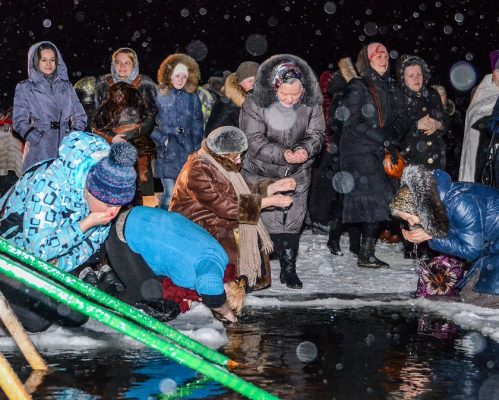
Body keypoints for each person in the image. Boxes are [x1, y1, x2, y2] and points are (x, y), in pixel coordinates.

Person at [0, 131, 137, 332]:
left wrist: (60, 263)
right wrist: (85, 225)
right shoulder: (47, 185)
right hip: (11, 253)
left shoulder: (105, 200)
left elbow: (90, 246)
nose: (113, 212)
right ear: (91, 190)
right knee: (36, 322)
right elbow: (36, 252)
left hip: (50, 259)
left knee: (75, 316)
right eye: (108, 203)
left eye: (119, 205)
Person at [170, 126, 295, 290]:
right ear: (223, 154)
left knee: (247, 228)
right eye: (236, 155)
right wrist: (269, 201)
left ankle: (245, 279)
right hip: (198, 226)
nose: (240, 160)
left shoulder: (216, 163)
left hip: (214, 219)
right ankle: (232, 283)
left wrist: (272, 188)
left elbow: (238, 192)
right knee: (235, 233)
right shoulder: (198, 170)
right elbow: (228, 208)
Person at [239, 54, 325, 288]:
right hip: (258, 171)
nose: (290, 99)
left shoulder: (311, 103)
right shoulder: (254, 102)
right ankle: (250, 270)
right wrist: (282, 153)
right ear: (274, 86)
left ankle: (288, 268)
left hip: (297, 171)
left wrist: (305, 151)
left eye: (295, 94)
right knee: (252, 219)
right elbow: (253, 139)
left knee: (291, 221)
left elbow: (317, 134)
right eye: (284, 94)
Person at [105, 206, 246, 322]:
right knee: (149, 298)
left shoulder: (220, 260)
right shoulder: (213, 268)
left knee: (162, 300)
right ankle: (99, 293)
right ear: (226, 289)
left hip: (140, 218)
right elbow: (211, 290)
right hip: (126, 233)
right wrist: (228, 314)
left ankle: (110, 277)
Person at [339, 42, 410, 268]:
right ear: (368, 60)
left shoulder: (391, 87)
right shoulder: (358, 86)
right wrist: (381, 137)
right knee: (375, 199)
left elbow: (403, 116)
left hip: (382, 150)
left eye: (387, 55)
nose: (384, 58)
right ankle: (364, 252)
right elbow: (350, 121)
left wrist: (393, 134)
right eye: (378, 55)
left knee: (381, 201)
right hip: (359, 151)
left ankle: (365, 252)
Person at [390, 164, 499, 307]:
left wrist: (431, 236)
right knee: (468, 294)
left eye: (410, 218)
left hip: (492, 248)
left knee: (482, 300)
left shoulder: (461, 204)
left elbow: (472, 251)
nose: (410, 223)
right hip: (493, 247)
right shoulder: (442, 202)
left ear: (420, 209)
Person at [13, 41, 87, 171]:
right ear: (36, 61)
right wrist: (36, 139)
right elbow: (19, 121)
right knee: (39, 187)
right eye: (44, 60)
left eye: (52, 60)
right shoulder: (25, 87)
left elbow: (80, 115)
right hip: (39, 150)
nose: (49, 64)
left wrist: (72, 138)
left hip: (65, 149)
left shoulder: (66, 86)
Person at [94, 47, 158, 198]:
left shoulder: (145, 85)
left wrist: (131, 133)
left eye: (127, 63)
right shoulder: (103, 86)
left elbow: (151, 116)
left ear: (134, 65)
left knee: (142, 191)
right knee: (112, 189)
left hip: (139, 145)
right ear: (113, 64)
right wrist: (111, 137)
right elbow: (95, 121)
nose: (122, 67)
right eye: (118, 62)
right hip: (110, 144)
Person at [151, 53, 204, 209]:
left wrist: (195, 146)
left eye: (184, 76)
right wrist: (163, 139)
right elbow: (146, 123)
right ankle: (160, 223)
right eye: (177, 75)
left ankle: (175, 225)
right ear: (169, 75)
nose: (181, 80)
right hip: (167, 152)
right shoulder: (158, 94)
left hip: (187, 153)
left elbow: (197, 123)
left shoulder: (192, 97)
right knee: (169, 194)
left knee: (183, 196)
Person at [92, 82, 155, 203]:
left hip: (138, 148)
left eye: (121, 94)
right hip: (116, 149)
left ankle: (140, 206)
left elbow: (149, 119)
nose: (119, 97)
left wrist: (130, 133)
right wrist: (112, 137)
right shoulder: (107, 104)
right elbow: (95, 126)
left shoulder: (137, 99)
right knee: (118, 183)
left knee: (142, 184)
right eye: (116, 94)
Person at [396, 54, 447, 170]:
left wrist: (438, 124)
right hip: (411, 163)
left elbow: (446, 121)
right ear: (403, 78)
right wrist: (415, 126)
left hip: (437, 160)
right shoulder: (398, 98)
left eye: (419, 74)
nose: (416, 79)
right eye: (411, 76)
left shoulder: (432, 94)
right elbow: (394, 132)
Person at [459, 49, 499, 182]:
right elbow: (475, 119)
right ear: (493, 74)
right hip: (483, 152)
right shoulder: (482, 92)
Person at [205, 61, 260, 133]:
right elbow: (212, 134)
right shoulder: (227, 104)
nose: (254, 84)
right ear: (239, 82)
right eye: (250, 81)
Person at [432, 84, 464, 181]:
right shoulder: (424, 115)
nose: (439, 97)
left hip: (452, 160)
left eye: (442, 94)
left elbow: (460, 138)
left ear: (446, 97)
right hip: (433, 160)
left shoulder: (455, 116)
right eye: (436, 94)